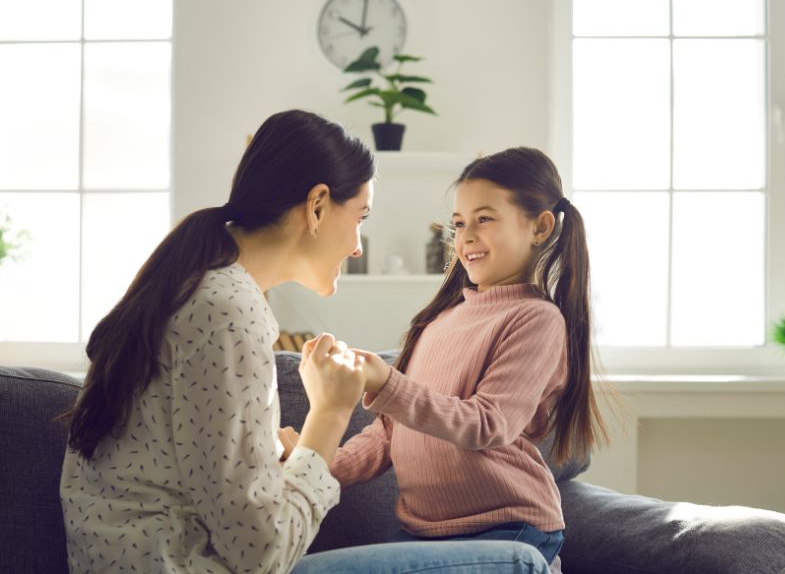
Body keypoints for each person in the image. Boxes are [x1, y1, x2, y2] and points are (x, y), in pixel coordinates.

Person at [58, 110, 550, 574]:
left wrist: (298, 451)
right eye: (360, 216)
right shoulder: (228, 311)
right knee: (521, 564)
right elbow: (261, 553)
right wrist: (329, 414)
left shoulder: (202, 290)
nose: (358, 245)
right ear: (317, 206)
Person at [312, 146, 608, 568]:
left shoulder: (536, 319)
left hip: (507, 527)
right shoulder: (440, 321)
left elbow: (489, 423)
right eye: (458, 223)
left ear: (540, 227)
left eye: (484, 219)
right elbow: (388, 435)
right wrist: (313, 462)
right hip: (422, 532)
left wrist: (387, 384)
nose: (466, 236)